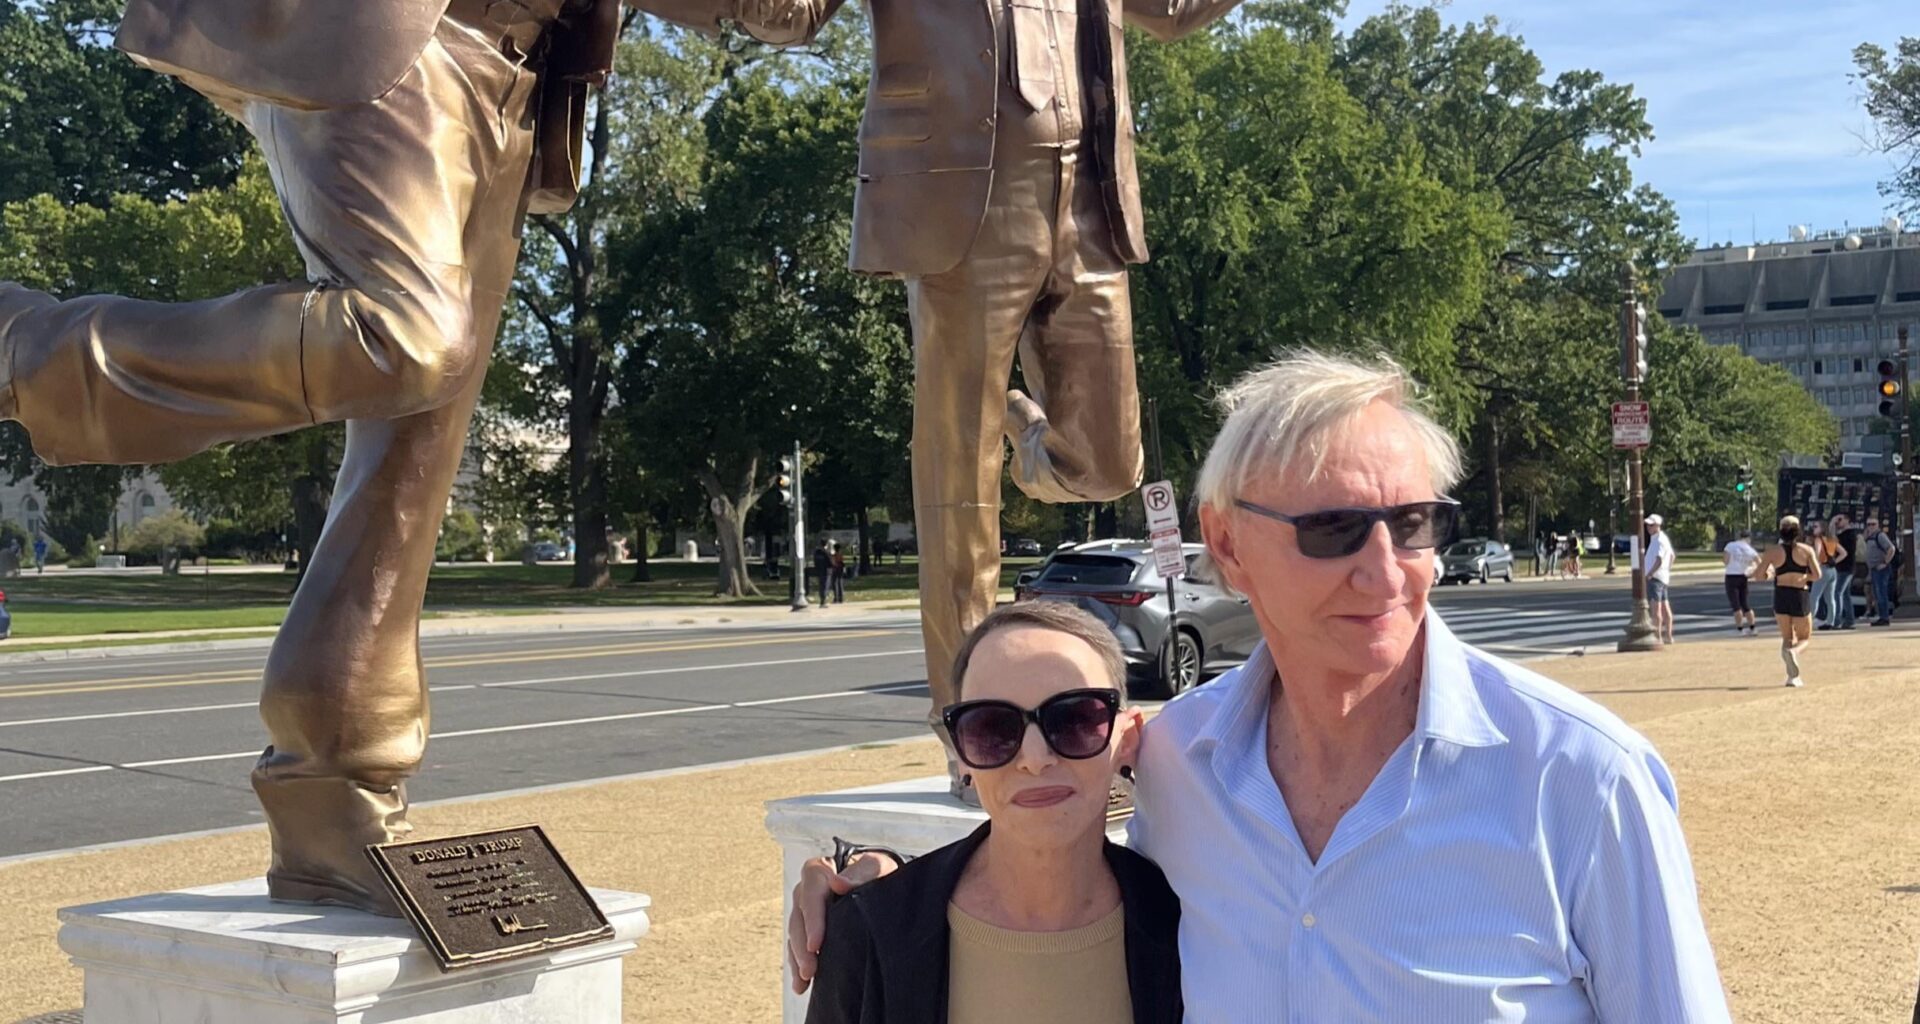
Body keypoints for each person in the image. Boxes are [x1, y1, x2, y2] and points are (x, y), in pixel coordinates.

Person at [790, 351, 1729, 1018]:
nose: (1384, 570)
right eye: (1332, 530)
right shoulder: (1181, 763)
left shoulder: (1582, 777)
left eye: (1411, 525)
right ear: (1229, 545)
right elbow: (1047, 825)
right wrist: (874, 889)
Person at [652, 0, 1245, 795]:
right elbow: (788, 13)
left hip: (1088, 198)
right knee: (958, 491)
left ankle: (1020, 424)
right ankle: (973, 731)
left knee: (1108, 463)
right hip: (961, 198)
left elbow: (1170, 14)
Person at [804, 600, 1180, 1024]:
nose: (1034, 758)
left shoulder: (1186, 922)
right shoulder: (871, 930)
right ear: (960, 752)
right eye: (993, 729)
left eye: (1074, 718)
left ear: (1125, 739)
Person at [1756, 516, 1819, 687]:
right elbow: (1817, 574)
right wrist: (1805, 576)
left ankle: (1792, 676)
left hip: (1781, 594)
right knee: (1804, 638)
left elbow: (1759, 576)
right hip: (1800, 594)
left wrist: (1771, 573)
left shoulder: (1772, 552)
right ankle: (1794, 653)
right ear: (1798, 531)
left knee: (1787, 636)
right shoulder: (1806, 550)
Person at [1644, 513, 1676, 644]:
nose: (1648, 528)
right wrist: (1667, 570)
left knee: (1655, 608)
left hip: (1656, 578)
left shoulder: (1659, 540)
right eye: (1647, 525)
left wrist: (1651, 573)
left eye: (1651, 525)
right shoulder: (1659, 539)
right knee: (1664, 605)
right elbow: (1672, 556)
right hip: (1661, 577)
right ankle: (1668, 635)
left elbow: (1659, 559)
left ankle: (1658, 637)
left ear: (1657, 526)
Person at [1722, 530, 1761, 635]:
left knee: (1736, 605)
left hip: (1731, 575)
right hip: (1743, 576)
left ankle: (1740, 628)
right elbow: (1759, 563)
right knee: (1745, 603)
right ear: (1749, 539)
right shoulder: (1750, 550)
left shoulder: (1730, 545)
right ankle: (1752, 627)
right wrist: (1752, 571)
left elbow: (1725, 560)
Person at [1864, 517, 1897, 626]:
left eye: (1873, 524)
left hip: (1881, 570)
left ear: (1878, 525)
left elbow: (1891, 548)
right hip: (1873, 569)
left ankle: (1884, 617)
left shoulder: (1880, 536)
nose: (1871, 526)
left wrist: (1885, 562)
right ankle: (1881, 616)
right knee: (1877, 594)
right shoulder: (1869, 537)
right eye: (1869, 524)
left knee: (1881, 593)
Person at [1808, 521, 1840, 630]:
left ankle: (1809, 620)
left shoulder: (1818, 540)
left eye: (1816, 526)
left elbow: (1816, 554)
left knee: (1814, 596)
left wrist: (1814, 566)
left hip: (1822, 568)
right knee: (1830, 598)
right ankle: (1830, 621)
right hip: (1832, 569)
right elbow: (1844, 553)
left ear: (1822, 528)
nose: (1813, 528)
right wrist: (1835, 561)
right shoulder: (1833, 540)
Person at [1832, 514, 1860, 629]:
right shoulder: (1842, 534)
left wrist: (1832, 525)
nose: (1838, 522)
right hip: (1842, 567)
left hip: (1846, 567)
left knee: (1837, 592)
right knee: (1845, 595)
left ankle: (1837, 620)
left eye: (1840, 519)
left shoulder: (1850, 534)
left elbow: (1841, 548)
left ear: (1847, 520)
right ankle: (1850, 619)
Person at [814, 540, 834, 608]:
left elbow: (815, 562)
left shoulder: (816, 552)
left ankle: (822, 600)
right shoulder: (826, 552)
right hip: (826, 571)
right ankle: (823, 601)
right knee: (826, 586)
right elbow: (830, 562)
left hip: (819, 571)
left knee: (821, 586)